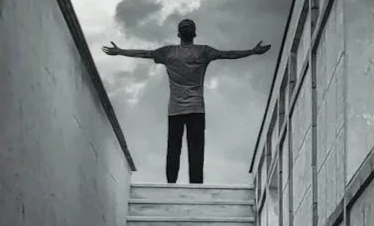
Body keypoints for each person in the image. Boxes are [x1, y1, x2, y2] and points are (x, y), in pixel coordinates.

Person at [103, 19, 271, 184]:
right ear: (194, 33)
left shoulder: (168, 52)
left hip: (175, 110)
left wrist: (121, 51)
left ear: (178, 34)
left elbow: (144, 53)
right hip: (196, 108)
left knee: (173, 148)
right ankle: (196, 184)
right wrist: (252, 51)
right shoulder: (203, 51)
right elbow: (228, 54)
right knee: (196, 149)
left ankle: (171, 183)